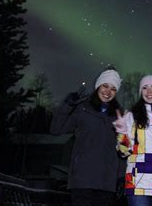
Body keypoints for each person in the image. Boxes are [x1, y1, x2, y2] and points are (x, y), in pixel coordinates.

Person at [50, 67, 126, 206]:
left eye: (113, 89)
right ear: (98, 86)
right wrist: (67, 106)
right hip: (82, 179)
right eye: (105, 86)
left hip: (106, 181)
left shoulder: (119, 116)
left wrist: (121, 176)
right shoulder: (82, 109)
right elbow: (56, 130)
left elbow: (122, 149)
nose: (108, 92)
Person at [113, 75, 152, 206]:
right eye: (145, 88)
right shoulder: (132, 116)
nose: (149, 91)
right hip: (137, 183)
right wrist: (122, 132)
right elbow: (123, 152)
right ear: (141, 92)